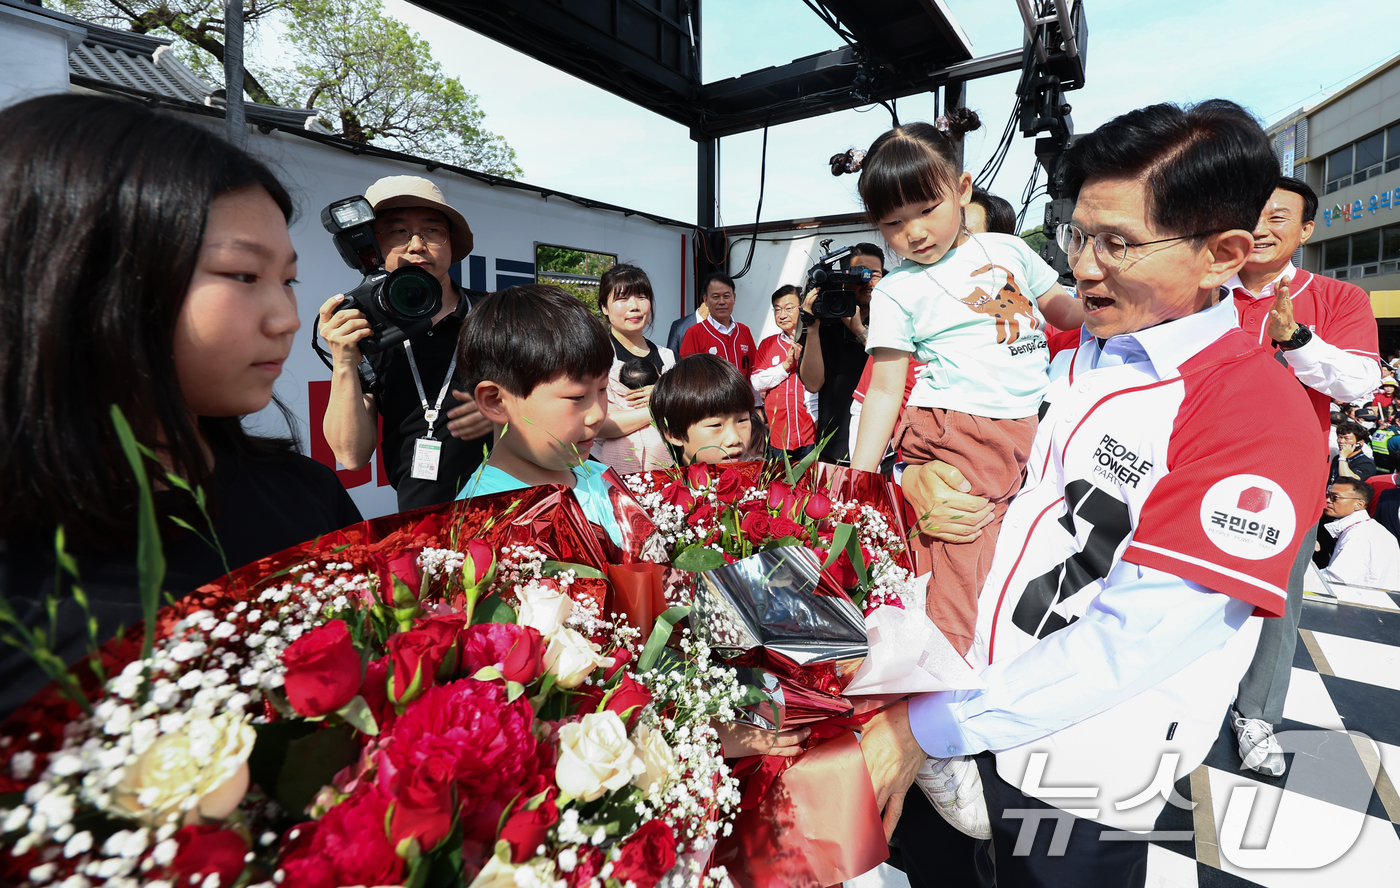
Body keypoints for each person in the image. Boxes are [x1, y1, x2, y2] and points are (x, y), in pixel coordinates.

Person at [860, 99, 1325, 887]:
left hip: (1071, 771)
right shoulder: (1070, 349)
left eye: (1118, 243)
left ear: (1222, 254)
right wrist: (915, 477)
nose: (1081, 266)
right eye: (1078, 235)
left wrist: (924, 729)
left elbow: (1140, 636)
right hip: (955, 717)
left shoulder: (1256, 414)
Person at [0, 94, 362, 719]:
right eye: (244, 276)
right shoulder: (24, 591)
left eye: (289, 279)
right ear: (87, 279)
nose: (287, 319)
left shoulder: (305, 498)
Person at [845, 114, 1084, 658]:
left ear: (961, 188)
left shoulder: (1010, 251)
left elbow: (1063, 311)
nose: (914, 233)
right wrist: (860, 479)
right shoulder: (897, 291)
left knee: (996, 559)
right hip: (959, 428)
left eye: (927, 210)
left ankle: (958, 670)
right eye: (893, 224)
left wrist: (1107, 301)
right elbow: (885, 389)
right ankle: (942, 682)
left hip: (1022, 424)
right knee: (958, 557)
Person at [318, 176, 493, 512]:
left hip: (512, 509)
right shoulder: (362, 330)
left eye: (432, 231)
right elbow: (351, 454)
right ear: (367, 246)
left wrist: (507, 415)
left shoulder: (496, 314)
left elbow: (565, 408)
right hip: (421, 528)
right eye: (397, 232)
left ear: (451, 243)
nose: (416, 245)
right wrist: (343, 363)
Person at [452, 285, 631, 547]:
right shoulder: (483, 522)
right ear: (496, 401)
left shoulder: (600, 477)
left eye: (603, 389)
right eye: (577, 397)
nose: (597, 415)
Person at [798, 243, 889, 463]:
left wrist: (859, 331)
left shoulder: (892, 320)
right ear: (844, 278)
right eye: (860, 274)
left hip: (883, 450)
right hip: (834, 448)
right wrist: (812, 326)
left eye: (874, 274)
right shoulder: (826, 321)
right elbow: (812, 383)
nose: (867, 280)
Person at [592, 264, 676, 475]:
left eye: (641, 296)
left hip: (667, 470)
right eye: (622, 298)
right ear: (604, 307)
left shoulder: (668, 357)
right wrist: (661, 402)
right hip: (606, 472)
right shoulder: (595, 358)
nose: (634, 306)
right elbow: (599, 424)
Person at [751, 285, 817, 461]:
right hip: (779, 435)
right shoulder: (767, 344)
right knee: (781, 485)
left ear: (802, 308)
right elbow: (757, 383)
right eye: (777, 309)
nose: (782, 315)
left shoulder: (815, 340)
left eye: (789, 308)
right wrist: (786, 365)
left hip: (811, 431)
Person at [651, 355, 755, 466]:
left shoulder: (763, 479)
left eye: (742, 420)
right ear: (675, 435)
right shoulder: (664, 483)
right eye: (715, 425)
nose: (734, 439)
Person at [679, 273, 758, 386]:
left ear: (734, 298)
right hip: (710, 402)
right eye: (715, 297)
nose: (722, 302)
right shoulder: (695, 332)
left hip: (743, 401)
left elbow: (754, 369)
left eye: (726, 296)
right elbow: (687, 375)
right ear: (705, 300)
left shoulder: (744, 331)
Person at [1319, 479, 1400, 589]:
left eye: (1335, 497)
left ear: (1359, 504)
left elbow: (1337, 579)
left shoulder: (1359, 535)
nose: (1328, 500)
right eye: (1327, 495)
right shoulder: (1365, 528)